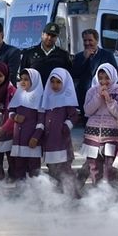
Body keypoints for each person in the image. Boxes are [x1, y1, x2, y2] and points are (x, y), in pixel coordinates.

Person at [79, 63, 118, 186]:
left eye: (107, 77)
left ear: (113, 76)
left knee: (110, 167)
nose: (103, 81)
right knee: (94, 166)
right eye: (100, 78)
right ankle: (97, 194)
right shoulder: (92, 91)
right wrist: (98, 97)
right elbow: (87, 111)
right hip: (92, 135)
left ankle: (111, 195)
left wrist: (109, 100)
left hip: (110, 135)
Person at [41, 68, 80, 198]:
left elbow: (74, 116)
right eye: (53, 82)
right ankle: (59, 196)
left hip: (62, 142)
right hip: (49, 142)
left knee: (65, 170)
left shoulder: (66, 99)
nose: (55, 85)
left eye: (59, 82)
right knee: (52, 169)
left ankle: (73, 195)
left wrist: (66, 126)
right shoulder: (46, 98)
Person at [71, 29, 118, 119]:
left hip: (104, 97)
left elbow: (116, 76)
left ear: (96, 41)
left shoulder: (107, 55)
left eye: (90, 40)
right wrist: (84, 58)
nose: (87, 43)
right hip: (86, 98)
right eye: (85, 40)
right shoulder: (79, 56)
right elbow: (75, 74)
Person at [9, 68, 45, 180]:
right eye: (21, 79)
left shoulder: (40, 98)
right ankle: (21, 193)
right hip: (18, 140)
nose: (23, 82)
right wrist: (15, 117)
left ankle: (35, 193)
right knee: (19, 167)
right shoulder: (18, 95)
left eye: (26, 79)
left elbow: (41, 121)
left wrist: (36, 137)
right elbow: (10, 111)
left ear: (34, 81)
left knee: (34, 169)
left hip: (31, 141)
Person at [20, 22, 73, 87]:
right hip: (35, 93)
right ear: (42, 34)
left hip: (54, 93)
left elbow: (68, 77)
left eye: (53, 36)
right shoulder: (29, 53)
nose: (49, 38)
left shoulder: (63, 55)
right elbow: (23, 75)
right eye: (47, 34)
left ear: (57, 37)